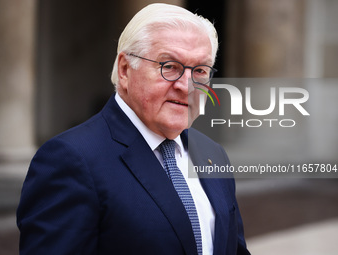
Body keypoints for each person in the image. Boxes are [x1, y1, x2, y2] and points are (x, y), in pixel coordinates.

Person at [17, 3, 250, 255]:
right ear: (125, 70)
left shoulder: (213, 154)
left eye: (200, 71)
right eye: (169, 66)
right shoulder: (71, 159)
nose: (187, 86)